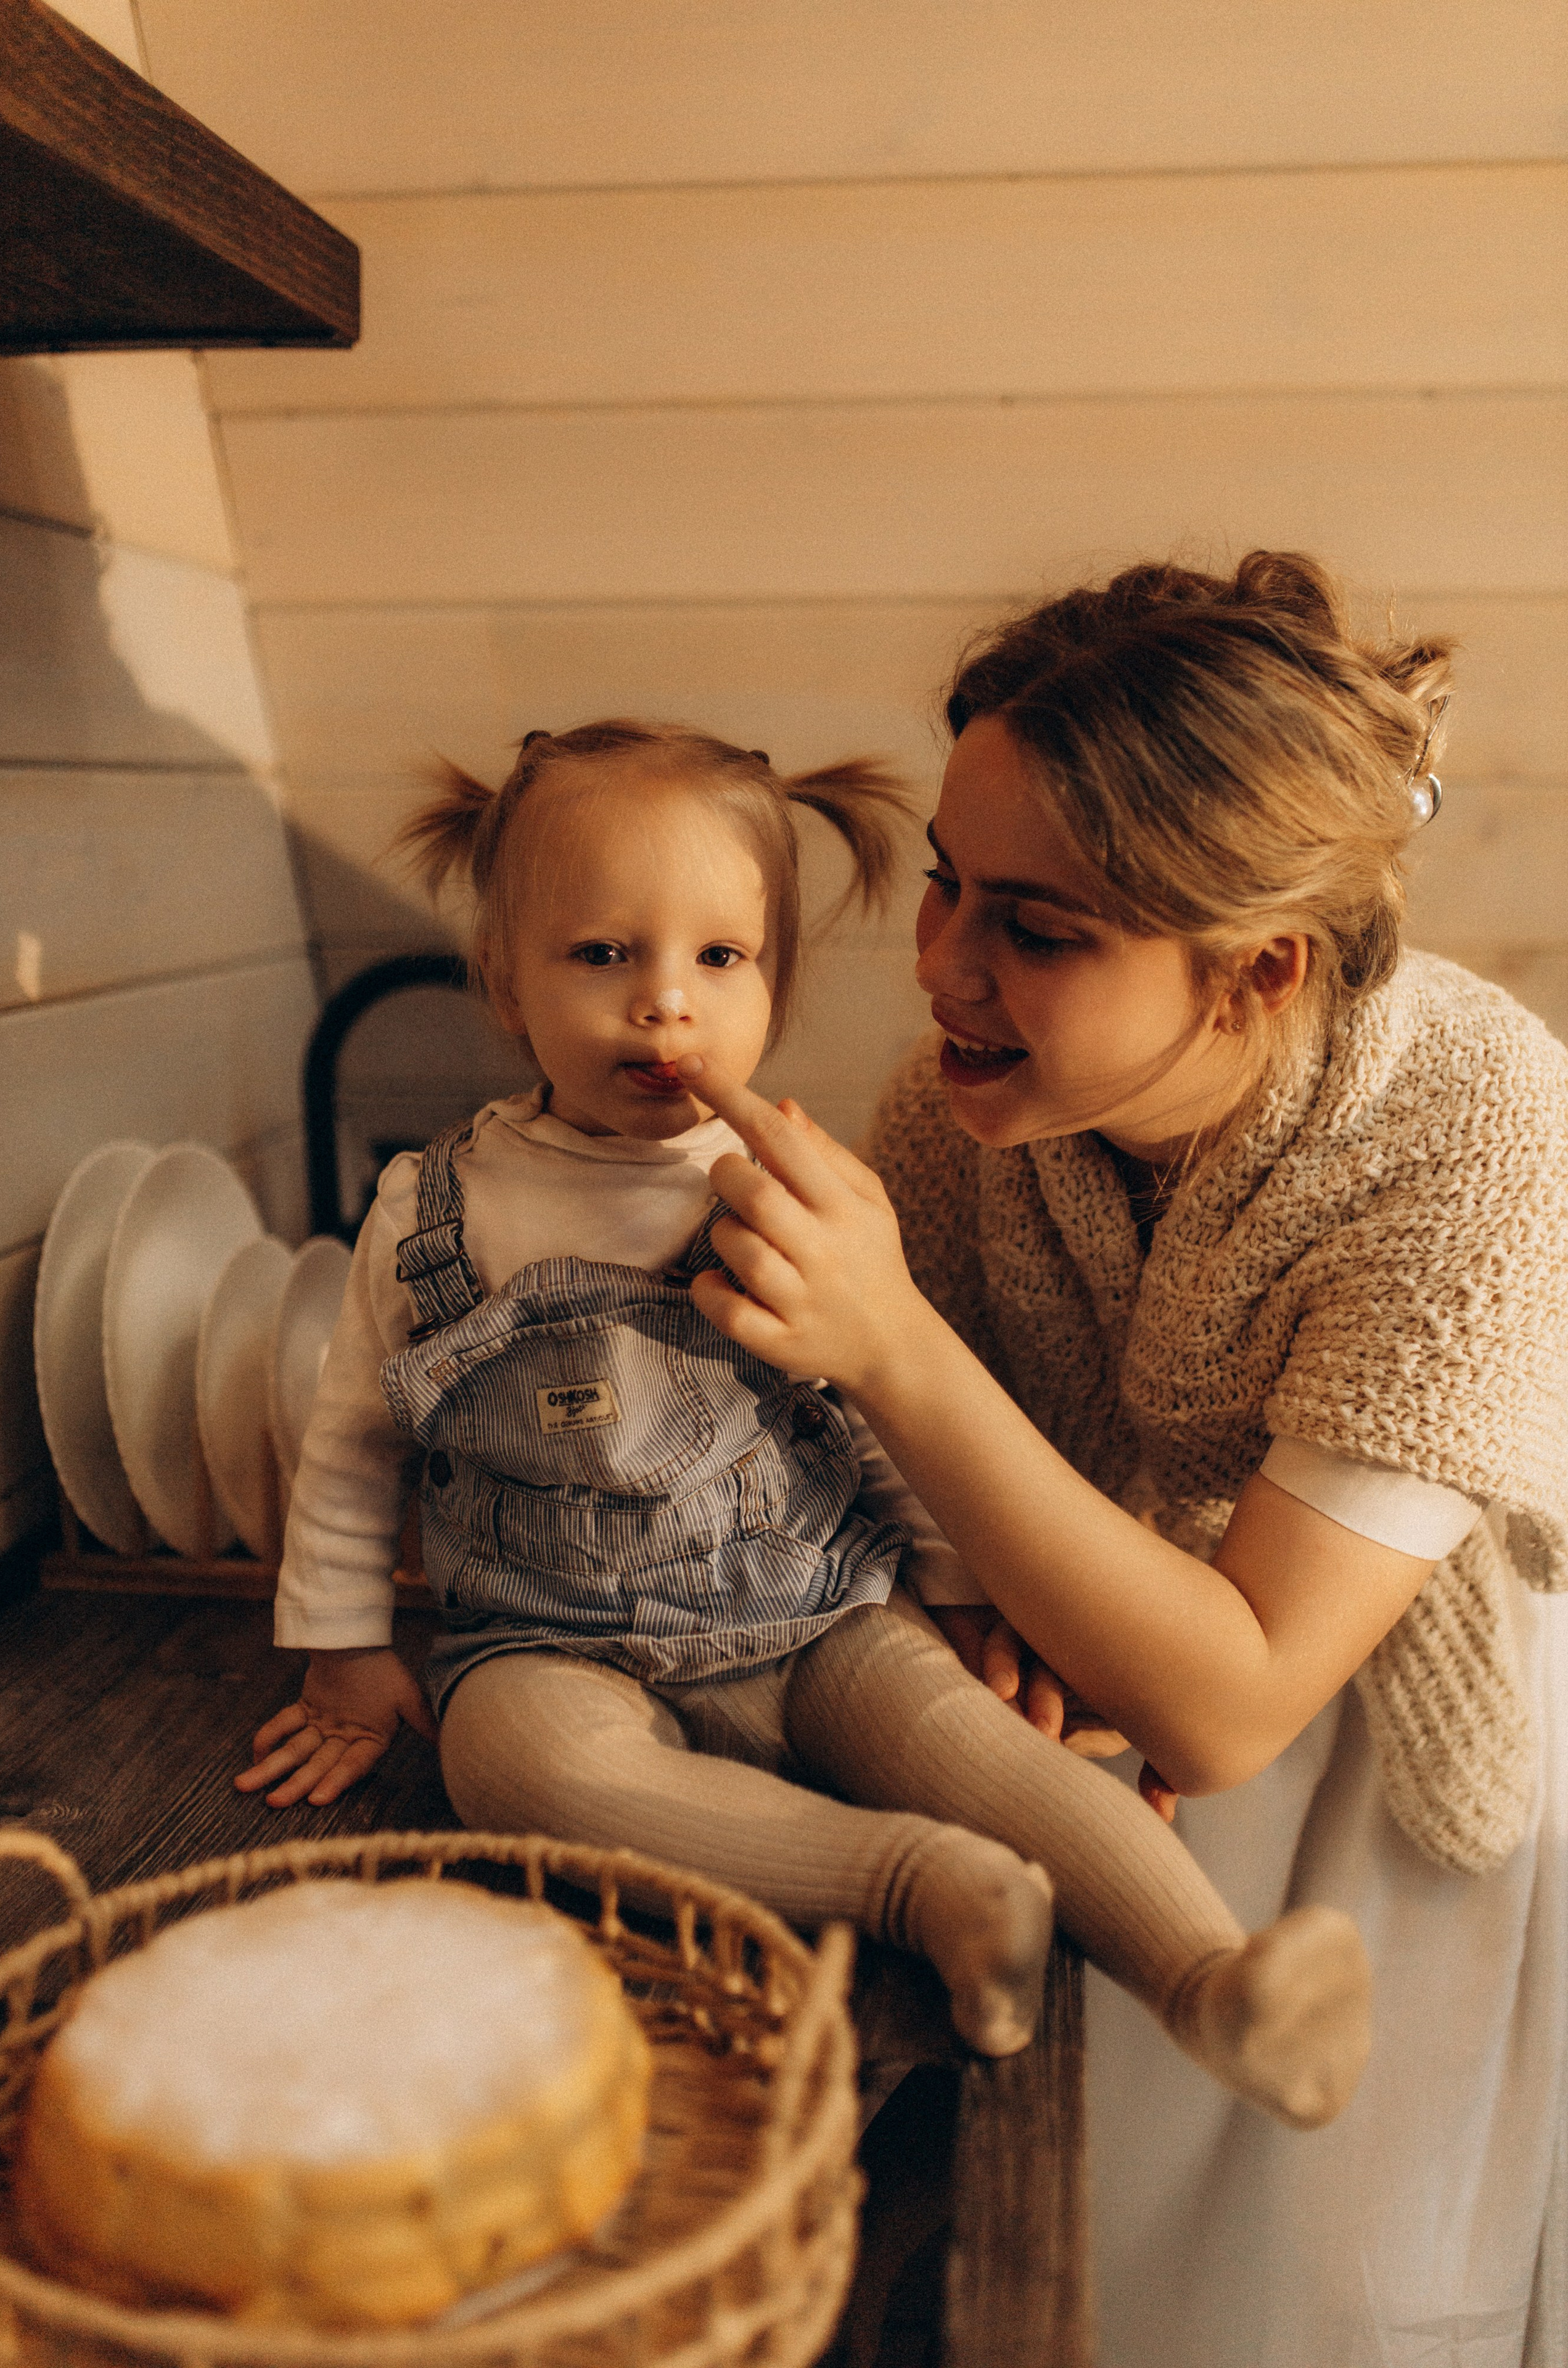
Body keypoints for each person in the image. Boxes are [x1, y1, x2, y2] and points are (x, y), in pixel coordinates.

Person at [671, 554, 1568, 2367]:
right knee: (1104, 2267)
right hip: (1092, 1745)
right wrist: (968, 1602)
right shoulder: (966, 1103)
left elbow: (1237, 1700)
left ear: (1259, 969)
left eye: (1035, 927)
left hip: (1376, 1768)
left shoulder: (1481, 1134)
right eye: (942, 882)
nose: (942, 966)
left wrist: (896, 1344)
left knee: (1337, 2293)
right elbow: (912, 1482)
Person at [239, 715, 1371, 2129]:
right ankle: (924, 1886)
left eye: (719, 959)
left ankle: (1211, 1977)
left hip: (813, 1606)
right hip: (549, 1639)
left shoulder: (787, 1186)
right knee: (507, 1764)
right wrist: (344, 1652)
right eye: (603, 957)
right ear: (505, 983)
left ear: (773, 980)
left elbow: (882, 1408)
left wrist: (953, 1594)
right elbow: (352, 1443)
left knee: (982, 1751)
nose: (666, 1006)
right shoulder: (434, 1206)